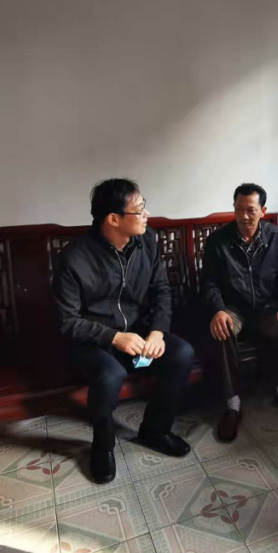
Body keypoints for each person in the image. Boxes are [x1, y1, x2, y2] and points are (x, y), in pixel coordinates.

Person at [52, 178, 193, 484]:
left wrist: (157, 332)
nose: (146, 214)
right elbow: (68, 321)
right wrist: (114, 337)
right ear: (113, 219)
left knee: (182, 353)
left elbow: (161, 291)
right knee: (110, 375)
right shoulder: (74, 258)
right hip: (91, 341)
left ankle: (155, 430)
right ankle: (102, 445)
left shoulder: (148, 241)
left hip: (137, 332)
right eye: (139, 210)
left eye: (144, 206)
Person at [200, 183, 278, 442]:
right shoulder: (218, 241)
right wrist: (219, 310)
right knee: (222, 328)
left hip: (268, 308)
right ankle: (232, 404)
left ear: (263, 211)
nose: (244, 216)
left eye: (251, 210)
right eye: (238, 209)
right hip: (234, 308)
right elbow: (209, 282)